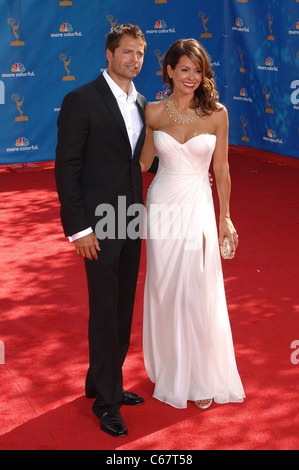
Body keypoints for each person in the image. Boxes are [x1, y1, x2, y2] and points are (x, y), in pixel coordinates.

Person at [139, 39, 245, 410]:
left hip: (198, 205)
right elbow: (142, 163)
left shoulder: (217, 113)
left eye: (197, 70)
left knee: (197, 285)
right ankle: (171, 363)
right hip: (162, 207)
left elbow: (222, 170)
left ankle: (199, 374)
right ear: (169, 70)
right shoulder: (152, 112)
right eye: (184, 69)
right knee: (164, 286)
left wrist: (225, 216)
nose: (191, 77)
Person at [55, 24, 148, 437]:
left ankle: (102, 381)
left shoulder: (142, 102)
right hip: (98, 225)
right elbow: (67, 169)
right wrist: (79, 229)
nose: (134, 60)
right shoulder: (80, 100)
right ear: (109, 54)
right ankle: (108, 403)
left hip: (131, 219)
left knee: (123, 306)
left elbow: (139, 162)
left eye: (140, 54)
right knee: (105, 311)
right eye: (127, 52)